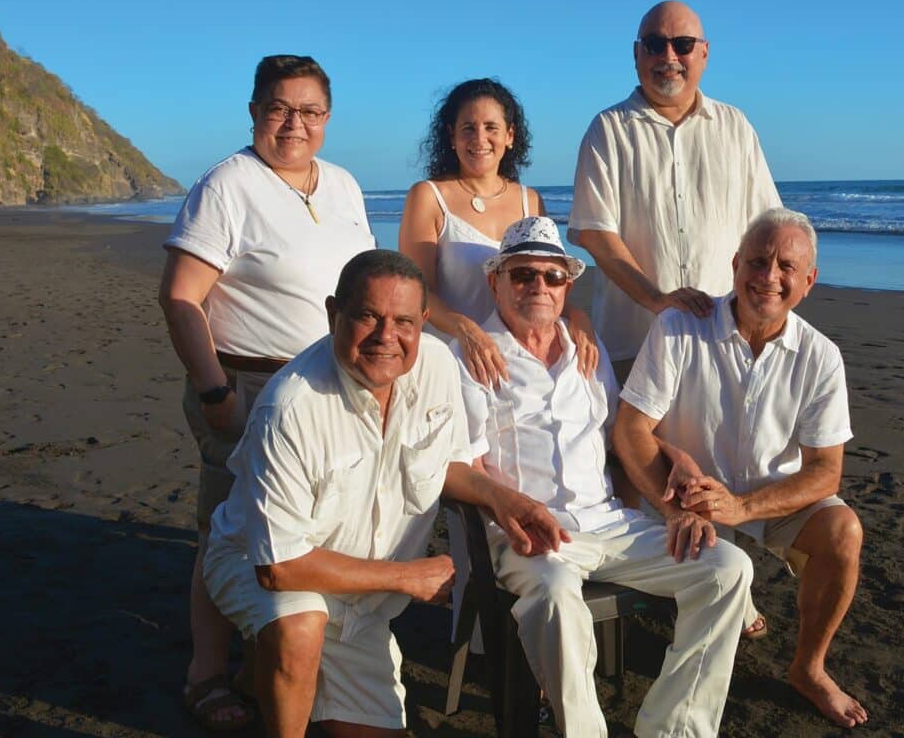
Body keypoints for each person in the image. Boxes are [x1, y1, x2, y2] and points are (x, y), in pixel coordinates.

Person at [203, 250, 565, 738]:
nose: (385, 337)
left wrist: (504, 499)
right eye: (367, 316)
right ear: (335, 314)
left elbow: (449, 465)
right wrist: (407, 577)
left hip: (361, 602)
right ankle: (281, 687)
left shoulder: (437, 364)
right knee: (300, 625)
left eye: (403, 322)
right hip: (263, 566)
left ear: (424, 323)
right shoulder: (290, 407)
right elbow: (279, 567)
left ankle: (266, 672)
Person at [452, 217, 753, 738]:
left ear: (569, 285)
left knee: (728, 568)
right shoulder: (469, 357)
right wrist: (510, 509)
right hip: (531, 535)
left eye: (551, 277)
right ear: (495, 281)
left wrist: (671, 452)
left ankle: (673, 729)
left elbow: (618, 432)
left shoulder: (585, 351)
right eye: (522, 274)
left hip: (612, 522)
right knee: (553, 596)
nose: (538, 287)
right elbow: (463, 466)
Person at [159, 54, 374, 731]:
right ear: (254, 112)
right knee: (227, 528)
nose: (294, 124)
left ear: (327, 119)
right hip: (247, 380)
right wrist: (216, 389)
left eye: (309, 111)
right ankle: (205, 676)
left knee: (299, 529)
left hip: (325, 384)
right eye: (280, 109)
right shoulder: (227, 186)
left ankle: (270, 661)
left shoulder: (341, 185)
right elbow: (180, 298)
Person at [614, 208, 868, 728]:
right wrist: (674, 506)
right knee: (717, 569)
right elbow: (630, 429)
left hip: (769, 497)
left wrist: (745, 506)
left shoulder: (820, 356)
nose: (768, 276)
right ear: (734, 265)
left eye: (785, 267)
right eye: (757, 260)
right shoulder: (681, 326)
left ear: (809, 282)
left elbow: (825, 471)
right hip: (689, 496)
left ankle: (809, 669)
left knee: (843, 532)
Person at [399, 77, 597, 649]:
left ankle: (539, 614)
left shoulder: (529, 200)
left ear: (511, 136)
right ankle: (486, 628)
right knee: (475, 493)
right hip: (451, 362)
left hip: (520, 363)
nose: (479, 138)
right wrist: (464, 331)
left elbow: (546, 278)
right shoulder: (428, 196)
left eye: (491, 127)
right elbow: (416, 290)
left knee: (527, 474)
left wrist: (577, 321)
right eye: (467, 127)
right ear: (451, 135)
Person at [569, 0, 781, 379]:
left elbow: (766, 229)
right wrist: (657, 300)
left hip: (722, 342)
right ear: (637, 54)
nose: (669, 55)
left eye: (682, 44)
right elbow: (595, 232)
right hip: (633, 345)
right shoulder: (608, 129)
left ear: (704, 52)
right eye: (654, 44)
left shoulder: (736, 128)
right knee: (630, 440)